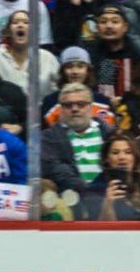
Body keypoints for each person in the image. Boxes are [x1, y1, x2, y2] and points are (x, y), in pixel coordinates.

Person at [41, 82, 113, 211]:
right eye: (68, 105)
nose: (75, 109)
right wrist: (90, 191)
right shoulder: (48, 137)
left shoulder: (110, 133)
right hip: (69, 202)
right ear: (61, 109)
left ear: (91, 107)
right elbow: (56, 169)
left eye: (81, 104)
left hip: (110, 199)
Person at [0, 10, 60, 95]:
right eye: (15, 22)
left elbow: (58, 92)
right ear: (8, 31)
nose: (20, 25)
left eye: (26, 22)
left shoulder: (48, 58)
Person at [87, 4, 140, 104]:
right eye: (103, 22)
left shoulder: (137, 53)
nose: (109, 26)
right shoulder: (90, 54)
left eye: (115, 22)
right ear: (97, 27)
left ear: (125, 27)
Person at [85, 132, 140, 220]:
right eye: (115, 153)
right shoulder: (95, 188)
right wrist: (108, 204)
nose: (122, 157)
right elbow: (99, 230)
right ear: (107, 159)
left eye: (128, 152)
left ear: (135, 157)